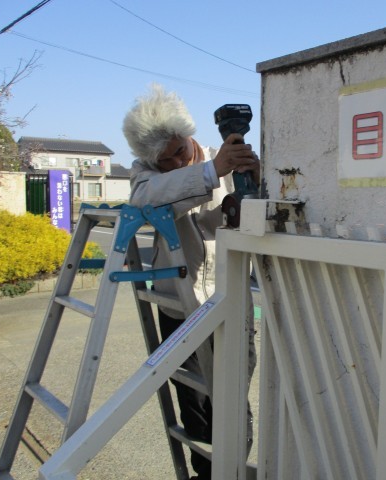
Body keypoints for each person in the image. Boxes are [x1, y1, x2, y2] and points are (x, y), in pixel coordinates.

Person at [123, 84, 258, 480]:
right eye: (165, 160)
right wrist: (211, 172)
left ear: (188, 135)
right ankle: (205, 473)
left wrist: (250, 184)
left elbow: (239, 216)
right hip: (178, 308)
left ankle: (232, 470)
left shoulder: (226, 156)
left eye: (180, 150)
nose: (176, 162)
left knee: (232, 398)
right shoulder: (145, 174)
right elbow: (146, 201)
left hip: (229, 303)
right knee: (195, 404)